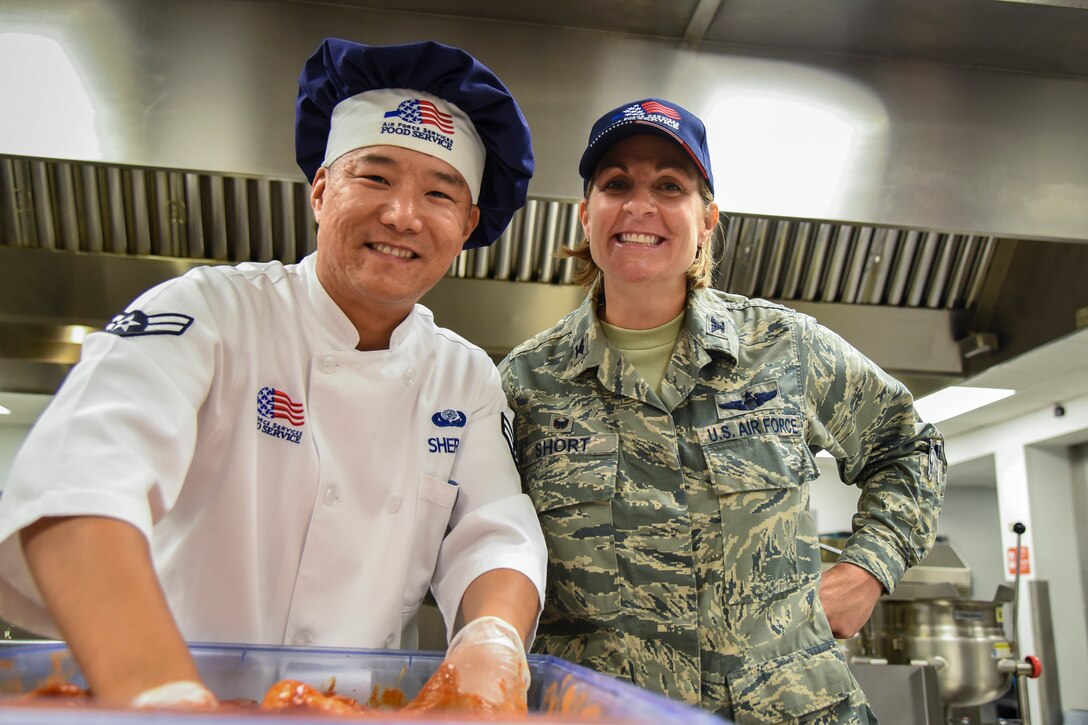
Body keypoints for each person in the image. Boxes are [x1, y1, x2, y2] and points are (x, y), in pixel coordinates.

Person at [0, 38, 547, 711]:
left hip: (346, 709)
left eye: (438, 193)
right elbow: (81, 482)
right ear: (321, 190)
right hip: (149, 691)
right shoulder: (208, 311)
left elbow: (494, 528)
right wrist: (161, 694)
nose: (402, 214)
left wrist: (491, 639)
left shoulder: (463, 376)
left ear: (465, 225)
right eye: (374, 178)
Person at [498, 98, 947, 723]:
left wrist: (868, 567)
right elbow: (483, 540)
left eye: (669, 186)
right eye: (616, 183)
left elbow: (911, 447)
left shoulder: (785, 348)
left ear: (707, 218)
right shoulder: (524, 384)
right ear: (585, 214)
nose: (639, 205)